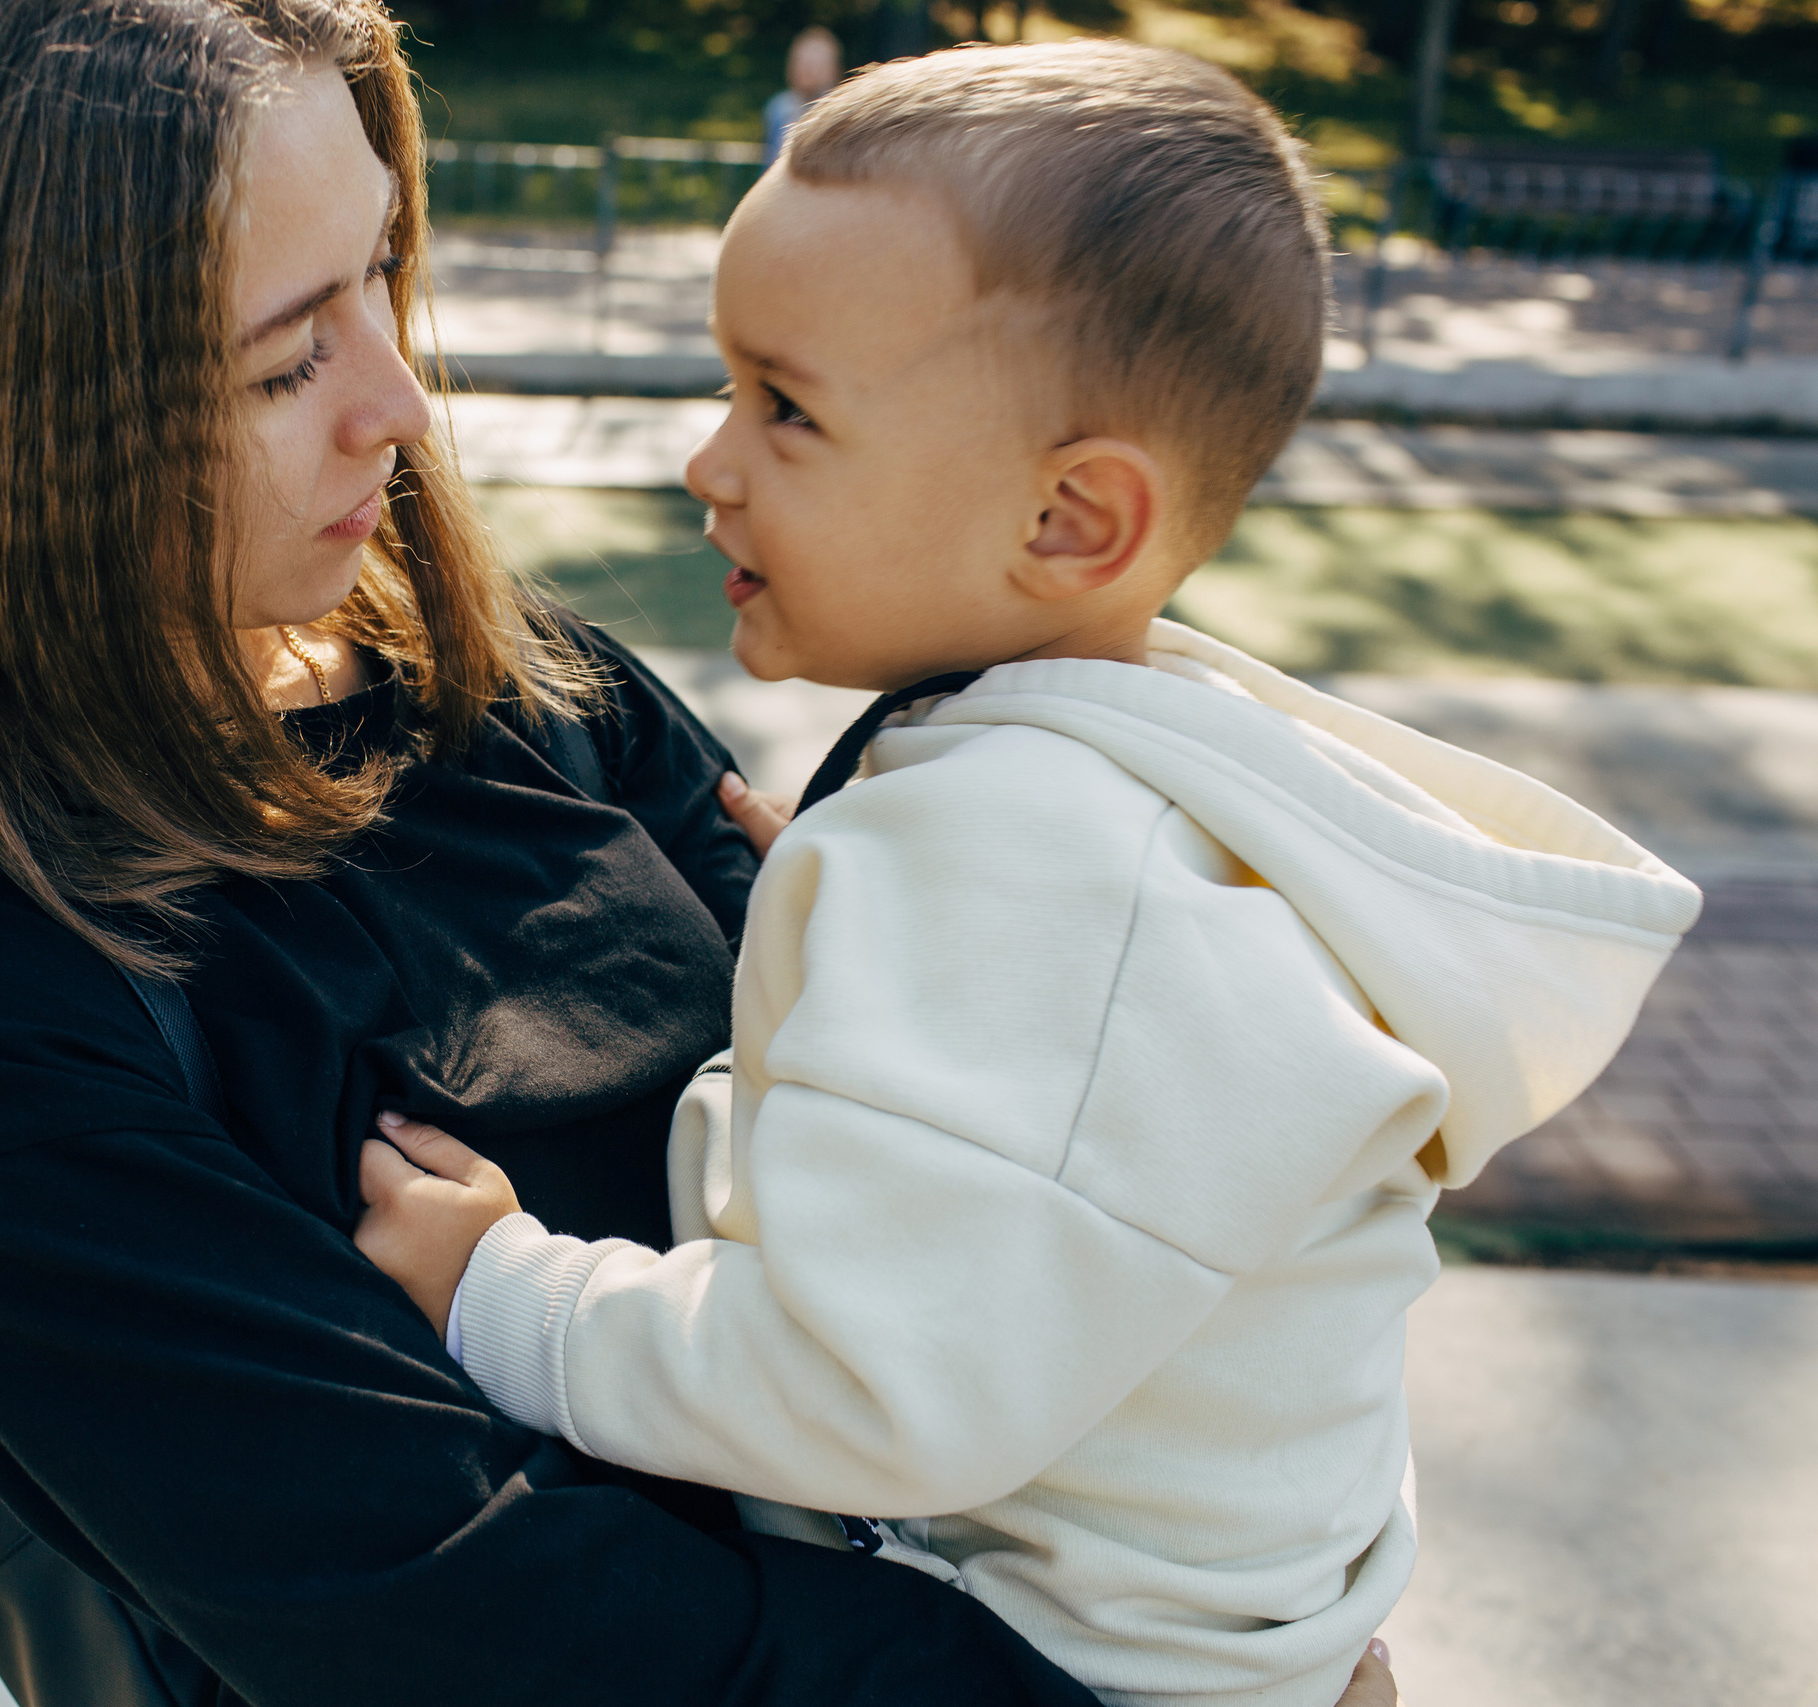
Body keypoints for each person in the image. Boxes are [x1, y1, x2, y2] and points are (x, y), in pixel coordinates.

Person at [0, 2, 1381, 1704]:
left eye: (379, 270)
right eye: (289, 355)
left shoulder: (530, 687)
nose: (398, 398)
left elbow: (1014, 1193)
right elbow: (483, 1628)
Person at [353, 41, 1697, 1707]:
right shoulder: (1110, 792)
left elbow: (864, 1390)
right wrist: (847, 918)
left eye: (786, 407)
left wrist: (508, 1290)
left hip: (1065, 1669)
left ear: (1071, 522)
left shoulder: (1017, 867)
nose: (709, 461)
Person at [762, 26, 840, 164]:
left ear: (832, 69)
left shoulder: (841, 113)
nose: (805, 70)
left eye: (813, 64)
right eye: (800, 62)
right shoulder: (779, 107)